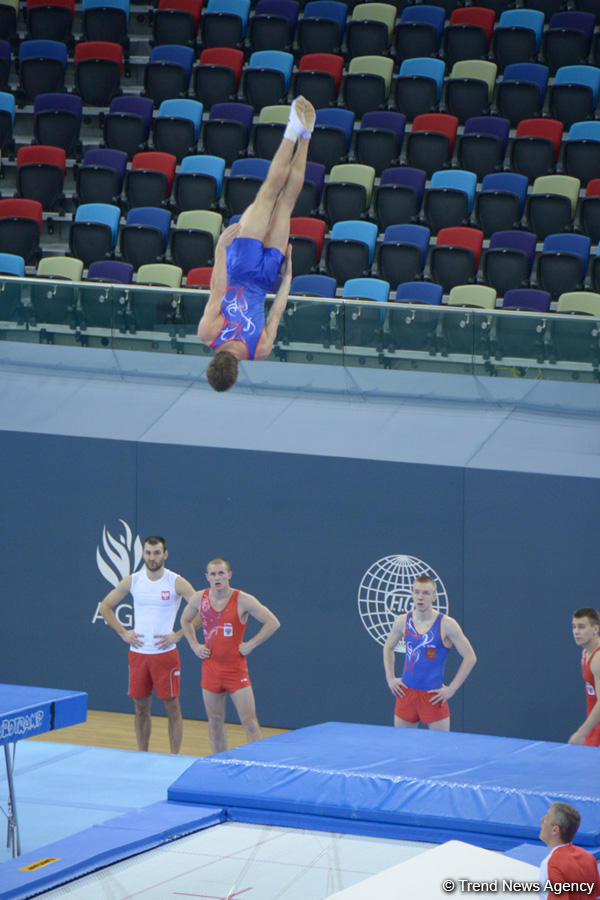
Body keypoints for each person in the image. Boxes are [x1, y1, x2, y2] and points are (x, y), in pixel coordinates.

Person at [197, 96, 316, 391]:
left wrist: (287, 276)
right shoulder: (208, 334)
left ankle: (306, 136)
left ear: (236, 373)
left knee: (286, 202)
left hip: (265, 277)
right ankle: (292, 128)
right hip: (240, 265)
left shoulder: (259, 352)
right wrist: (220, 250)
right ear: (212, 364)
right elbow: (218, 290)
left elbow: (277, 310)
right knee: (269, 192)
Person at [98, 535, 196, 753]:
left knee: (172, 709)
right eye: (148, 553)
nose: (152, 558)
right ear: (143, 554)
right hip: (139, 655)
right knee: (140, 708)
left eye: (157, 553)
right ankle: (143, 753)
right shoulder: (133, 580)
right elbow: (105, 606)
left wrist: (179, 634)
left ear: (165, 554)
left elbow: (202, 608)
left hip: (165, 655)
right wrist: (123, 632)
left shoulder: (175, 582)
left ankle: (174, 756)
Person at [181, 557, 280, 753]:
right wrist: (194, 645)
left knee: (250, 722)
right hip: (211, 668)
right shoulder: (199, 598)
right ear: (207, 577)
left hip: (235, 669)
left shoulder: (242, 600)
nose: (217, 578)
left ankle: (259, 763)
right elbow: (185, 621)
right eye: (213, 574)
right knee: (215, 721)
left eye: (221, 573)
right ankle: (220, 762)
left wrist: (251, 644)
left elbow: (273, 622)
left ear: (229, 575)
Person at [383, 574, 477, 730]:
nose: (420, 597)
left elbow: (470, 657)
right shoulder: (402, 621)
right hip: (406, 695)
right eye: (416, 592)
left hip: (433, 697)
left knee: (439, 751)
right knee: (402, 750)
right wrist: (390, 678)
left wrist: (452, 688)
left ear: (434, 596)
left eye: (425, 593)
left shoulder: (447, 624)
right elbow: (388, 647)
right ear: (412, 594)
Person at [539, 802, 600, 900]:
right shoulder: (588, 858)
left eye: (547, 817)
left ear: (555, 830)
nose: (542, 819)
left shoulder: (551, 864)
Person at [568, 607, 600, 746]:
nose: (576, 631)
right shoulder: (585, 653)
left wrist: (581, 733)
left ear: (595, 629)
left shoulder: (598, 658)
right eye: (574, 627)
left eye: (581, 627)